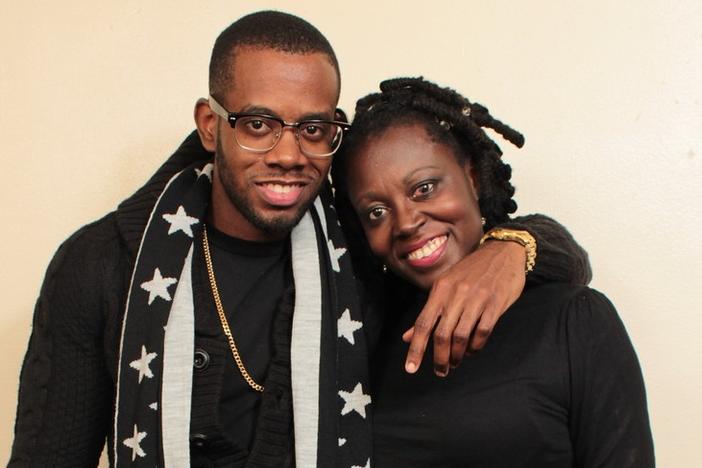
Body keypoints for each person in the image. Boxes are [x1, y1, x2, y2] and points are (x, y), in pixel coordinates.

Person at [9, 12, 589, 468]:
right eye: (258, 124)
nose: (288, 155)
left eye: (312, 129)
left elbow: (564, 265)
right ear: (211, 126)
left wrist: (510, 247)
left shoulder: (356, 254)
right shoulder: (105, 264)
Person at [332, 77, 655, 467]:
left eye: (425, 188)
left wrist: (513, 246)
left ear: (471, 176)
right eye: (376, 212)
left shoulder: (573, 321)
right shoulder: (368, 338)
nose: (405, 222)